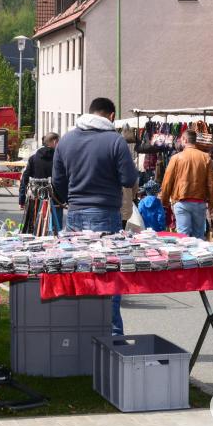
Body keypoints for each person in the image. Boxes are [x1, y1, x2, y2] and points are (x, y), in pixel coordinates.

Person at [52, 97, 138, 336]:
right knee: (108, 274)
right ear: (111, 116)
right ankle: (112, 335)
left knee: (79, 271)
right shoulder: (115, 141)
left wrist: (72, 197)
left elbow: (57, 182)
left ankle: (78, 333)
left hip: (75, 214)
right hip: (105, 213)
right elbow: (129, 179)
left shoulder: (66, 140)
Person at [159, 129, 213, 239]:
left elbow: (167, 182)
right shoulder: (206, 157)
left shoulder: (176, 158)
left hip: (181, 201)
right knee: (199, 237)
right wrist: (212, 205)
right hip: (199, 202)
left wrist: (164, 201)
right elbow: (211, 184)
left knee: (183, 237)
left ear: (184, 140)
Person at [19, 132, 62, 227]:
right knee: (56, 228)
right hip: (56, 198)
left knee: (37, 227)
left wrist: (22, 199)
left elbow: (25, 178)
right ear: (55, 142)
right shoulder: (59, 158)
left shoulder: (33, 158)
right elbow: (63, 178)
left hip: (37, 197)